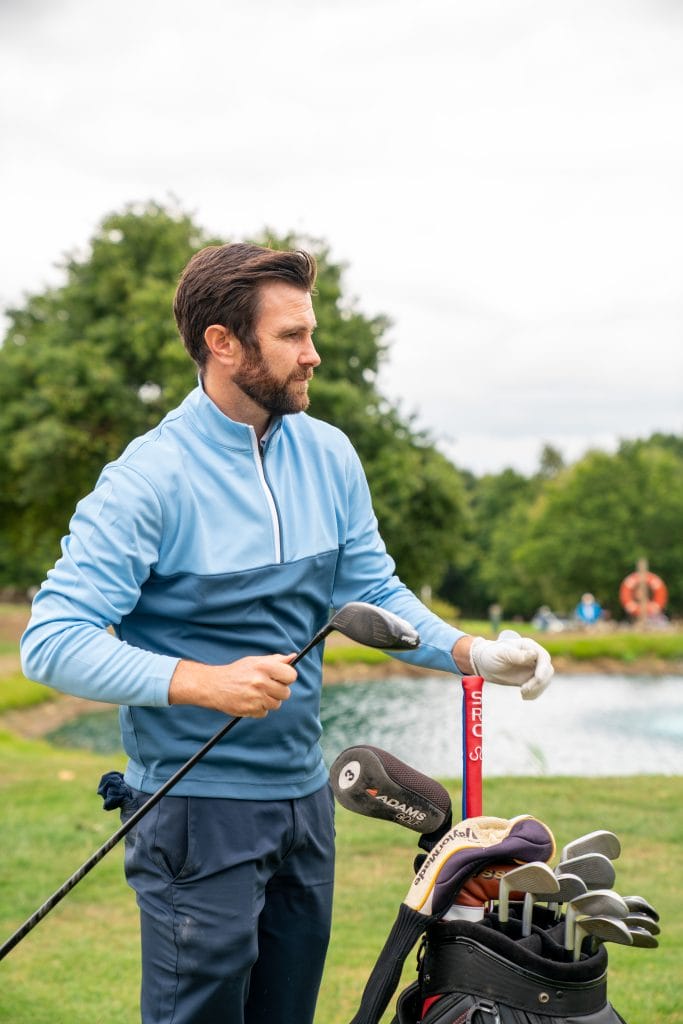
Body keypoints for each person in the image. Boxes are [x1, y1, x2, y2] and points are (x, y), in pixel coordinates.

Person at [20, 243, 554, 1024]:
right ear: (222, 343)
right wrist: (202, 681)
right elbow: (53, 639)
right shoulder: (147, 480)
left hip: (304, 798)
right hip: (194, 809)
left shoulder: (330, 453)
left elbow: (371, 589)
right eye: (291, 336)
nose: (314, 354)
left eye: (311, 332)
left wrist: (473, 654)